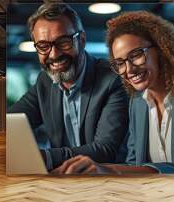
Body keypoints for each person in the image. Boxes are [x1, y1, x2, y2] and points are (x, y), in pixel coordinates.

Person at [53, 11, 174, 174]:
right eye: (120, 63)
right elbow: (133, 164)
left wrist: (108, 170)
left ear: (163, 50)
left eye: (135, 55)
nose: (129, 70)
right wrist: (96, 171)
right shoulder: (137, 104)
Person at [8, 3, 129, 170]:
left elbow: (104, 150)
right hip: (63, 182)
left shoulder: (113, 79)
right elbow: (11, 121)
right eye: (43, 46)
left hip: (109, 184)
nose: (54, 54)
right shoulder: (45, 81)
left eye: (63, 42)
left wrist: (41, 157)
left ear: (82, 40)